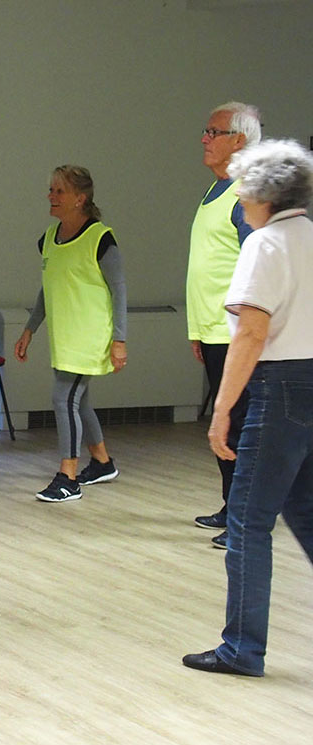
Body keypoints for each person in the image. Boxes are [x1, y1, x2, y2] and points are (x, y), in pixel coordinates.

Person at [182, 139, 313, 677]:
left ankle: (242, 648)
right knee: (303, 510)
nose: (239, 200)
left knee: (246, 521)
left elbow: (252, 333)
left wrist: (222, 408)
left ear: (263, 194)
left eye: (243, 190)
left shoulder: (265, 245)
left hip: (278, 387)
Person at [14, 166, 127, 503]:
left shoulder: (102, 239)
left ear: (81, 198)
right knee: (81, 400)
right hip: (63, 337)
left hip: (91, 337)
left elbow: (119, 292)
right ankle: (103, 463)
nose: (51, 196)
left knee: (63, 398)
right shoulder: (48, 238)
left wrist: (119, 340)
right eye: (51, 190)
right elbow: (48, 289)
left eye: (59, 191)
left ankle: (68, 477)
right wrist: (30, 329)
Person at [186, 102, 262, 549]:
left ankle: (244, 516)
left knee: (237, 425)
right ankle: (230, 504)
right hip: (213, 331)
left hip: (235, 334)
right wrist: (197, 327)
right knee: (225, 421)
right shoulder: (215, 190)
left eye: (212, 132)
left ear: (239, 140)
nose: (204, 139)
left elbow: (256, 268)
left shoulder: (244, 196)